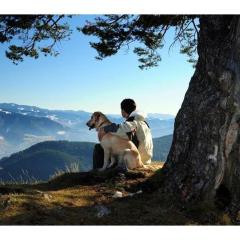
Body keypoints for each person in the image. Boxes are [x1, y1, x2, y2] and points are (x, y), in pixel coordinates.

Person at [92, 98, 153, 169]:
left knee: (99, 148)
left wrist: (105, 129)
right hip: (146, 160)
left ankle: (97, 172)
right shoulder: (144, 122)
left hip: (134, 160)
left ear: (123, 111)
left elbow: (121, 130)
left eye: (121, 110)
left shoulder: (132, 122)